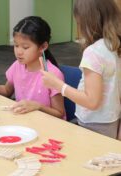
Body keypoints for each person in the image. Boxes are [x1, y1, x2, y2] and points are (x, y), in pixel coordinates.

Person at [41, 0, 121, 140]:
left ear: (86, 20)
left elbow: (92, 101)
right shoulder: (115, 46)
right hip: (111, 120)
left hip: (93, 123)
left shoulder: (94, 52)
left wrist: (57, 85)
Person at [0, 16, 65, 119]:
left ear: (43, 47)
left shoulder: (52, 74)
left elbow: (60, 113)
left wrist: (38, 106)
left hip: (46, 125)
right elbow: (7, 91)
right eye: (16, 45)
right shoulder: (17, 65)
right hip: (23, 121)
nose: (19, 52)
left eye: (25, 47)